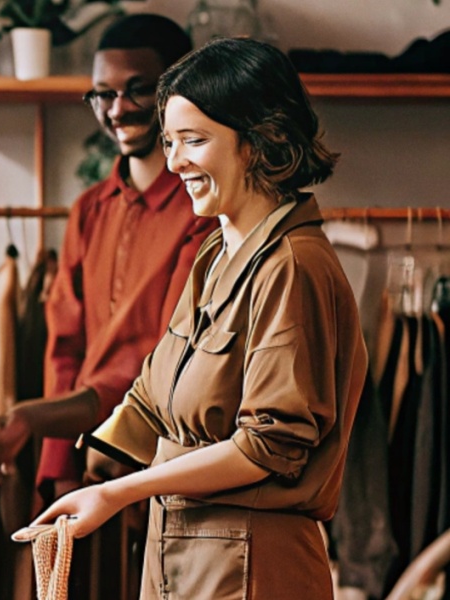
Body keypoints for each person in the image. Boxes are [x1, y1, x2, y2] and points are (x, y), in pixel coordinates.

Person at [28, 37, 367, 599]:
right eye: (170, 141)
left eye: (194, 140)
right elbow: (149, 397)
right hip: (180, 554)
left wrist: (120, 493)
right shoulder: (216, 253)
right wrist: (86, 472)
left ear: (259, 142)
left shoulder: (293, 266)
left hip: (252, 565)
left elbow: (269, 445)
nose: (174, 160)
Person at [0, 15, 210, 500]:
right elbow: (65, 349)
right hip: (85, 462)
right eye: (103, 93)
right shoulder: (89, 210)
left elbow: (165, 360)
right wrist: (59, 465)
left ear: (179, 91)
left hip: (160, 466)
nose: (117, 109)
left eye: (138, 89)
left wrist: (32, 418)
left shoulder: (202, 210)